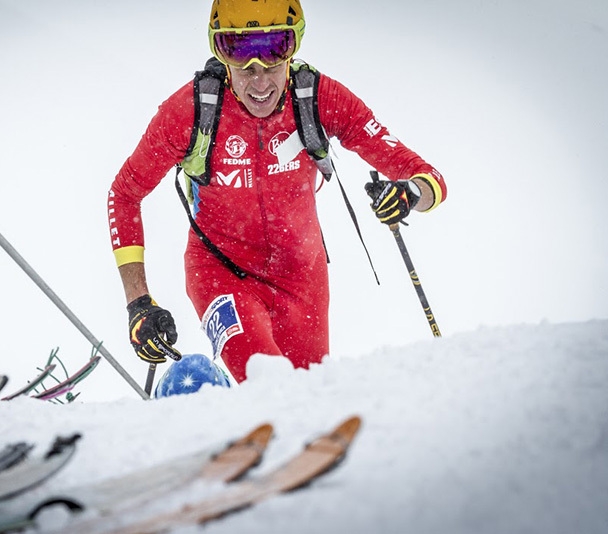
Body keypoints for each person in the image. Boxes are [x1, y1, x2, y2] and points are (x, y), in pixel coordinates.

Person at [108, 0, 447, 383]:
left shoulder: (318, 98)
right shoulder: (190, 111)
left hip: (302, 280)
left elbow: (428, 177)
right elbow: (123, 193)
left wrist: (408, 195)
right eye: (243, 66)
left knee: (307, 398)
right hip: (220, 272)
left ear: (293, 48)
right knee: (272, 384)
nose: (260, 82)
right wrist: (137, 303)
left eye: (272, 63)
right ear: (221, 54)